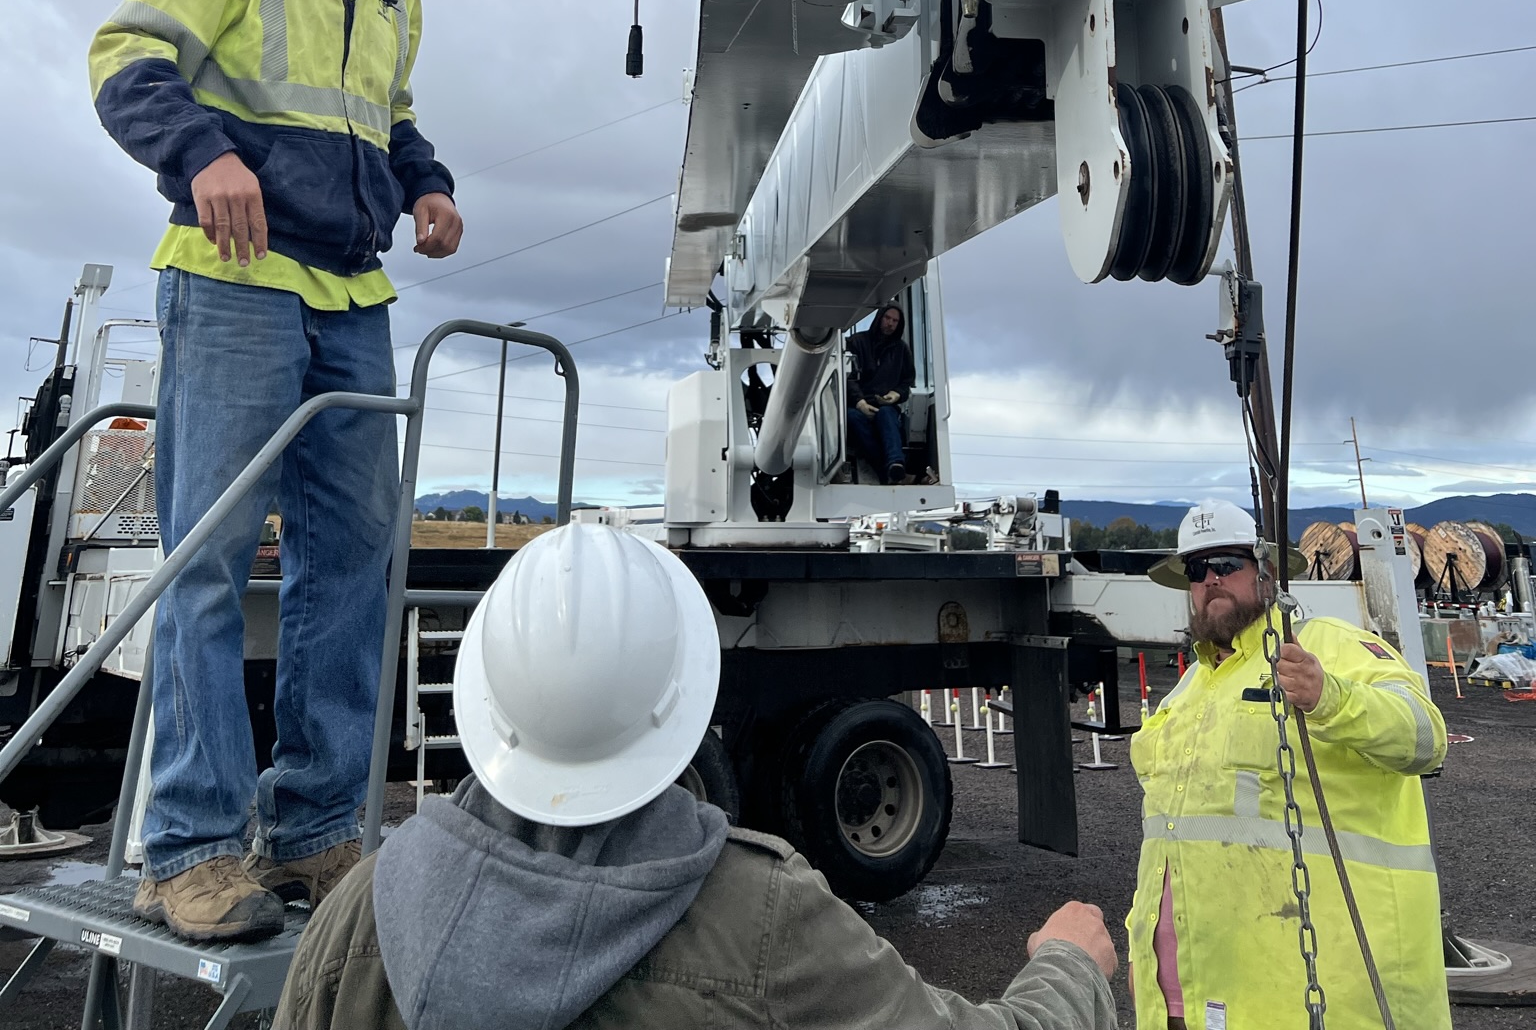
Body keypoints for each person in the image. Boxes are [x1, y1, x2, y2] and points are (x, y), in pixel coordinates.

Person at [90, 0, 464, 945]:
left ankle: (311, 830)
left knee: (354, 562)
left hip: (354, 296)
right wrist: (203, 155)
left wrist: (431, 186)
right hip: (236, 276)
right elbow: (124, 61)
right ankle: (190, 849)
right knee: (206, 555)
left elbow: (388, 119)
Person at [275, 523, 1120, 1030]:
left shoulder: (363, 912)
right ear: (684, 698)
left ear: (488, 699)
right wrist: (1066, 967)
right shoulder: (764, 923)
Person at [1127, 499, 1449, 1029]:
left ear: (1268, 573)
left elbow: (1424, 736)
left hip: (1315, 995)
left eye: (1227, 564)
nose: (1210, 579)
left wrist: (1333, 698)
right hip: (1190, 993)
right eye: (1196, 569)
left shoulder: (1330, 647)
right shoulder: (1189, 688)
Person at [845, 300, 915, 486]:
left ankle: (895, 464)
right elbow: (847, 377)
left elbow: (907, 382)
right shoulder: (855, 343)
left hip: (885, 406)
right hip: (857, 406)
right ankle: (890, 469)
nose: (890, 323)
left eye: (895, 321)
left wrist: (896, 395)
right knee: (852, 418)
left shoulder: (902, 350)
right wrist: (860, 402)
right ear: (879, 317)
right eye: (887, 318)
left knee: (886, 414)